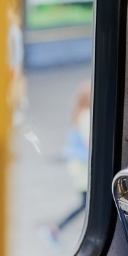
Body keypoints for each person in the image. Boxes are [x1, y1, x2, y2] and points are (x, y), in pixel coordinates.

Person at [42, 81, 91, 243]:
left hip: (78, 166)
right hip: (84, 168)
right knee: (85, 203)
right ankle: (56, 229)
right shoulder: (86, 117)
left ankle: (57, 229)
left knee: (85, 203)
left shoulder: (79, 115)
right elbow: (88, 143)